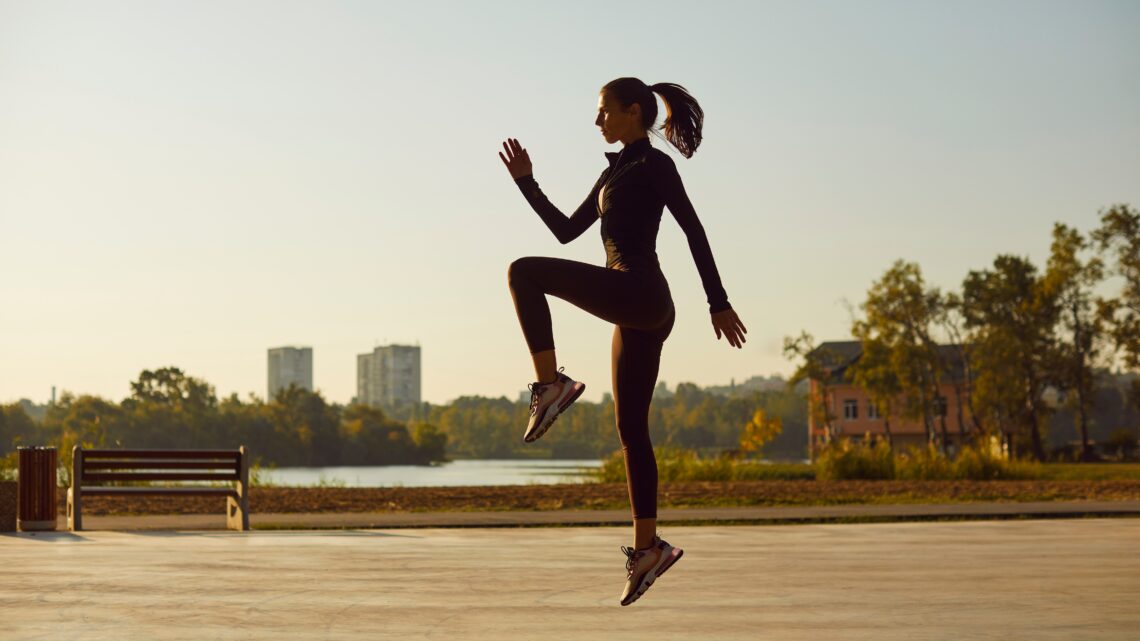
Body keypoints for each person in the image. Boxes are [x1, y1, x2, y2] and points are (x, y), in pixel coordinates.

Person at [498, 77, 747, 606]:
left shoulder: (656, 166)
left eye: (603, 112)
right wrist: (527, 182)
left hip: (641, 291)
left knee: (523, 272)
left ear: (633, 112)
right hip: (639, 309)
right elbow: (566, 231)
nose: (597, 122)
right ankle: (648, 549)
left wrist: (718, 301)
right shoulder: (614, 172)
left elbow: (694, 231)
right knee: (631, 430)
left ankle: (551, 385)